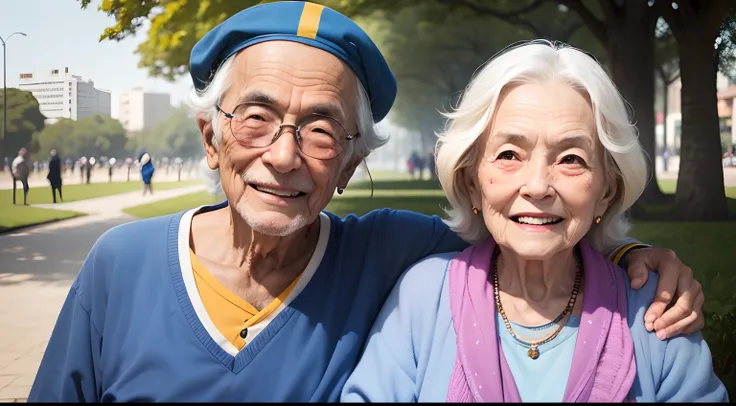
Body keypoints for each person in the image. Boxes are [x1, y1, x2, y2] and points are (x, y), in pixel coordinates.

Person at [29, 3, 705, 402]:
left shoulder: (392, 256)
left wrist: (634, 255)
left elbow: (530, 227)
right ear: (211, 137)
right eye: (256, 118)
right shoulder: (121, 265)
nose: (286, 154)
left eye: (322, 129)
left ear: (353, 162)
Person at [342, 41, 727, 402]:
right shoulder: (423, 297)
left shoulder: (657, 313)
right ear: (471, 182)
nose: (538, 185)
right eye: (509, 154)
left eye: (571, 159)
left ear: (607, 190)